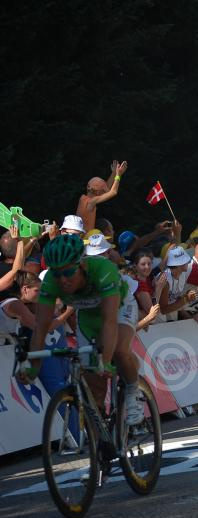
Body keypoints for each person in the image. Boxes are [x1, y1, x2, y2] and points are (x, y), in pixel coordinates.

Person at [17, 234, 144, 425]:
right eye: (57, 273)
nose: (63, 280)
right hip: (87, 315)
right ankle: (101, 428)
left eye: (68, 272)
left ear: (81, 266)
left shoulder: (103, 269)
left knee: (118, 351)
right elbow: (41, 328)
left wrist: (107, 360)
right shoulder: (51, 282)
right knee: (93, 377)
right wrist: (33, 368)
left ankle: (133, 392)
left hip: (119, 308)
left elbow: (109, 321)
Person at [76, 160, 127, 233]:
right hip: (85, 241)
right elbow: (113, 192)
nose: (104, 193)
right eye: (102, 191)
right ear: (97, 192)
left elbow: (106, 190)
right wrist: (118, 175)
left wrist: (114, 173)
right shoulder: (91, 202)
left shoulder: (83, 198)